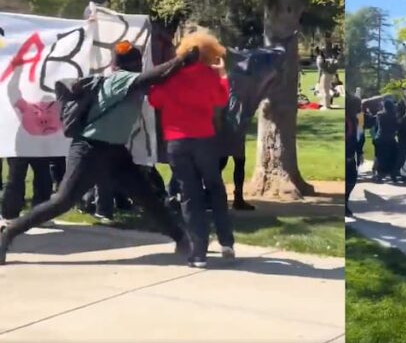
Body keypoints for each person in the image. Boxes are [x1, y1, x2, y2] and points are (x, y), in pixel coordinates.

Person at [0, 42, 198, 265]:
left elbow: (160, 78)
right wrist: (182, 59)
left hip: (115, 151)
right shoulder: (121, 79)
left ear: (114, 63)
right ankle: (9, 232)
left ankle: (181, 239)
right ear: (133, 65)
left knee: (146, 196)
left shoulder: (127, 80)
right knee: (62, 201)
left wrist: (183, 65)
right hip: (90, 150)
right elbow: (154, 76)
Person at [149, 32, 234, 269]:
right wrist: (223, 75)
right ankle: (226, 241)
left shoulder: (170, 77)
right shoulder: (208, 76)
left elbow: (154, 100)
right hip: (204, 139)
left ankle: (198, 254)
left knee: (189, 195)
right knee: (215, 187)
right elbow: (221, 99)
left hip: (176, 142)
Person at [373, 100, 399, 183]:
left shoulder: (380, 115)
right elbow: (397, 126)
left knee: (381, 157)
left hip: (381, 138)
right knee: (392, 157)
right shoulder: (394, 116)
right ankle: (392, 174)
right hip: (390, 139)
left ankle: (379, 175)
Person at [345, 92, 360, 218]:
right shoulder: (346, 120)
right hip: (346, 155)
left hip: (351, 154)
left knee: (352, 180)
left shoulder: (354, 119)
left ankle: (345, 202)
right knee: (349, 179)